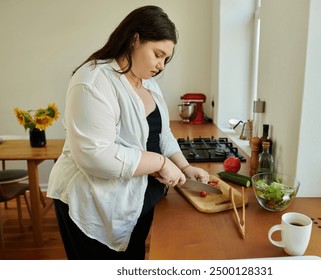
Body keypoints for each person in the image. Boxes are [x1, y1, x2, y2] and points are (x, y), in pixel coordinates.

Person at [47, 5, 209, 260]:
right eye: (158, 54)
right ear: (135, 38)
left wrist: (185, 167)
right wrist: (161, 163)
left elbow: (161, 133)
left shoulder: (148, 84)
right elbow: (95, 155)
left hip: (135, 202)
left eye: (166, 59)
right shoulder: (93, 80)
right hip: (93, 204)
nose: (161, 65)